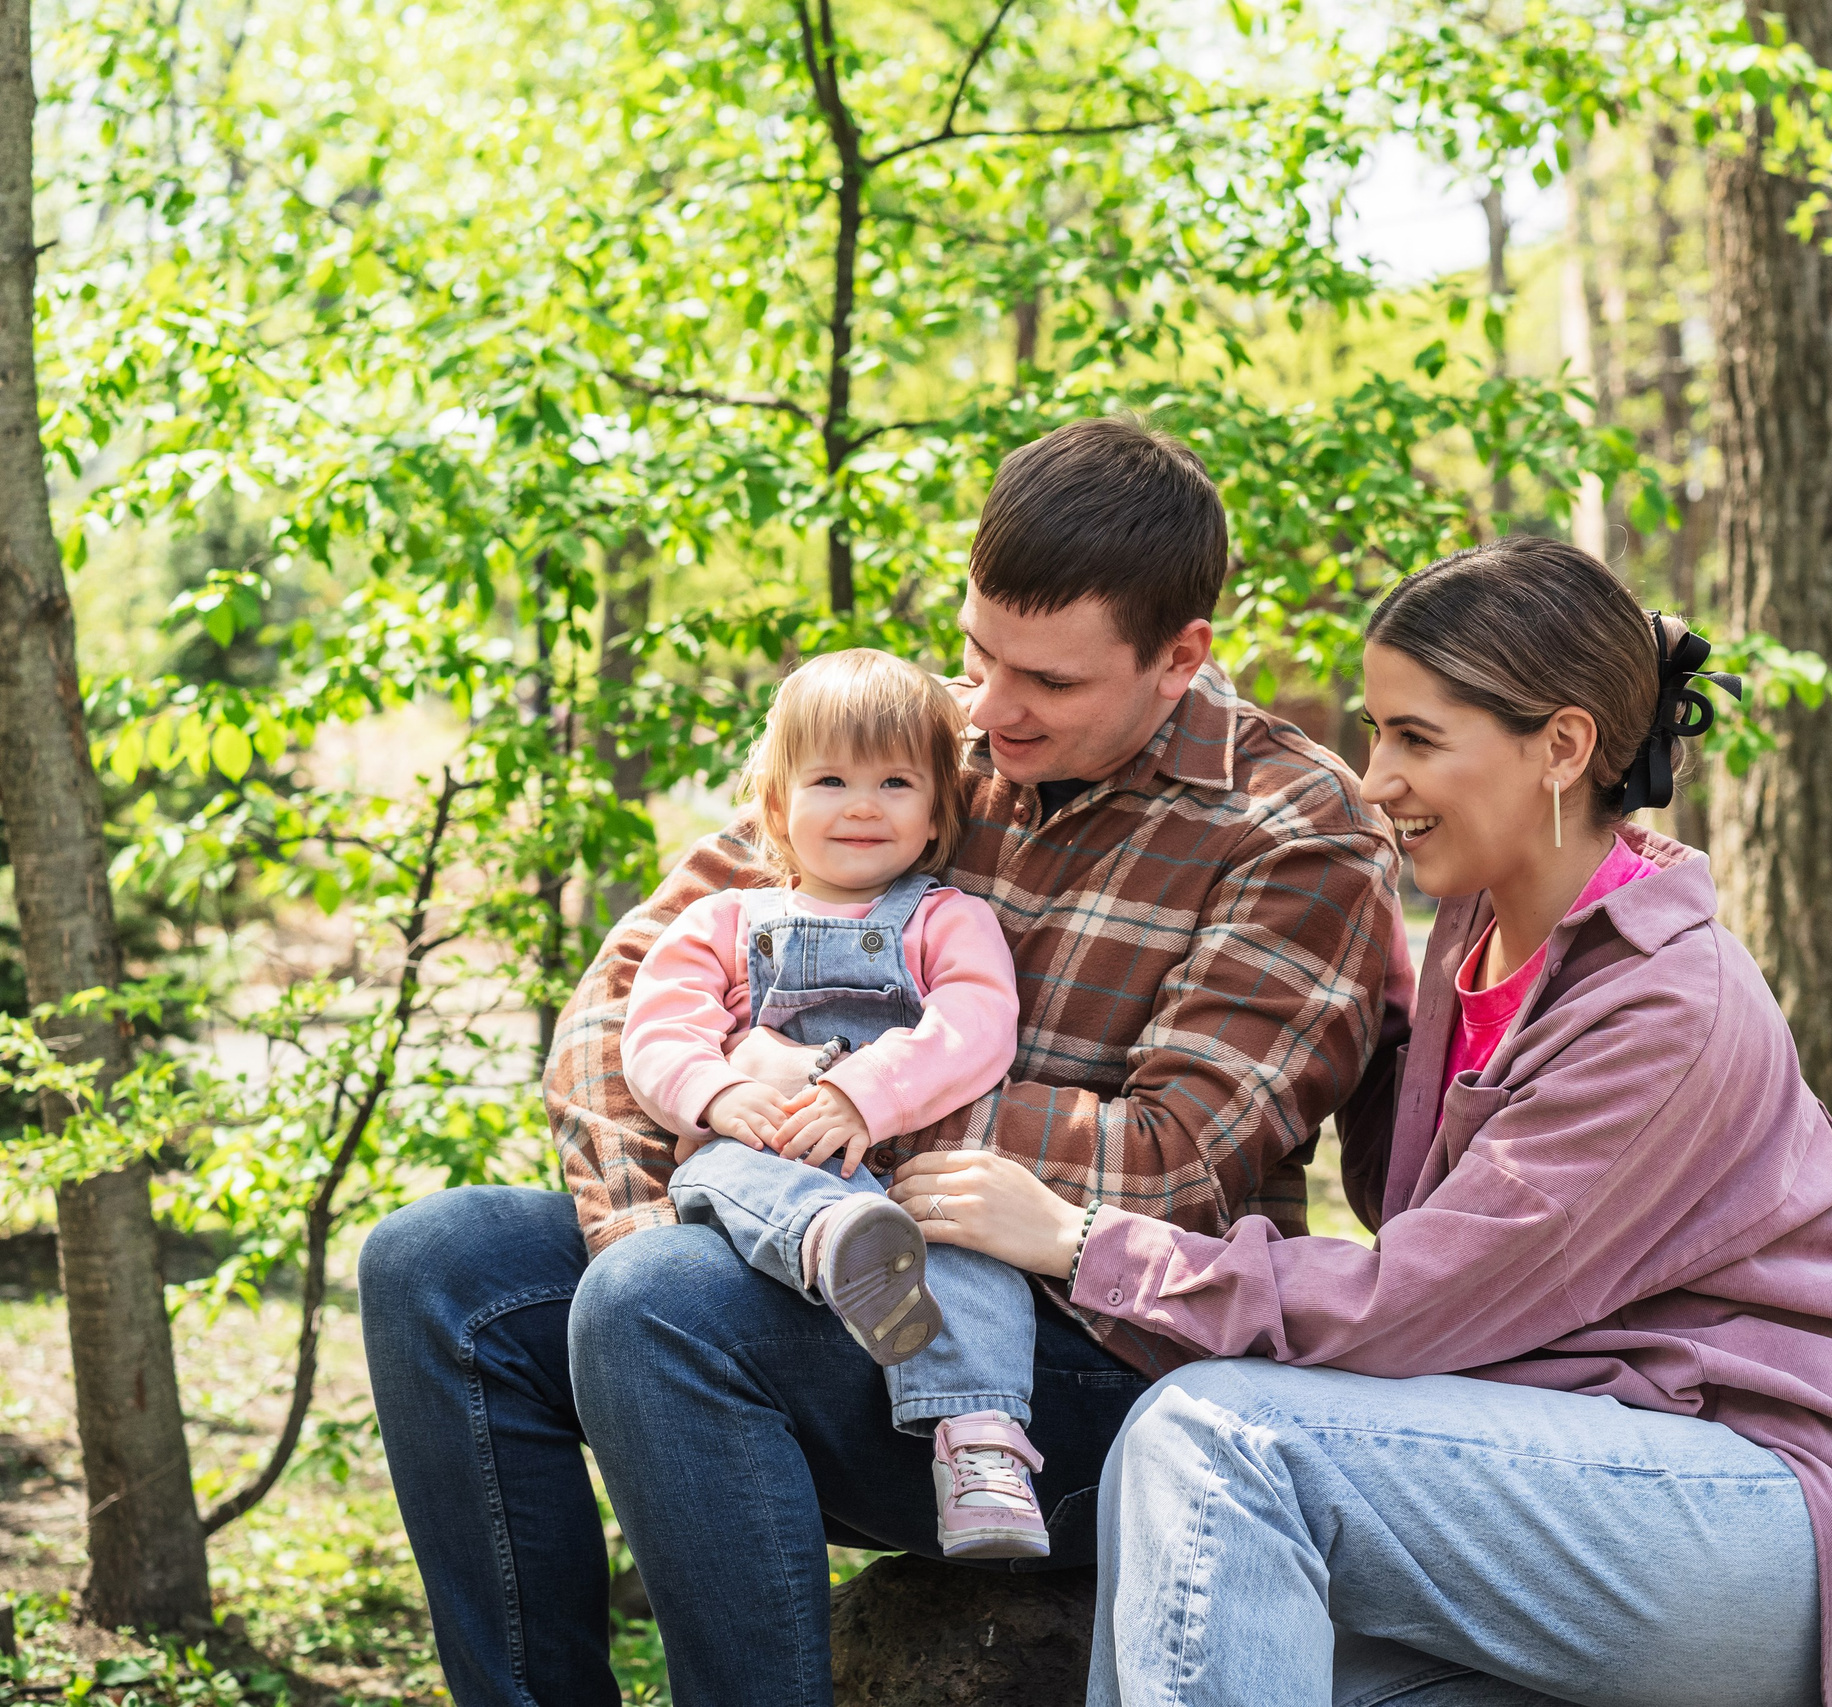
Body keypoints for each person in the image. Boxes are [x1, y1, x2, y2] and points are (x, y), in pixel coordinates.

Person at [356, 415, 1404, 1707]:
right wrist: (650, 1210)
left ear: (1179, 656)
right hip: (794, 1247)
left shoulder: (1295, 834)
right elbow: (630, 987)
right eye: (979, 652)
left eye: (1051, 683)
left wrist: (833, 1105)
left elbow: (1175, 1164)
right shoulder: (913, 736)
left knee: (659, 1308)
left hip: (1073, 1359)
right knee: (438, 1268)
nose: (991, 711)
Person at [895, 538, 1832, 1707]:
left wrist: (1085, 1242)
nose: (1371, 778)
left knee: (1215, 1438)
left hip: (1760, 1509)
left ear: (1562, 745)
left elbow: (1421, 1300)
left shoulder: (1667, 1003)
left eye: (1414, 738)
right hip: (1557, 1462)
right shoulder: (1475, 937)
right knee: (1194, 1625)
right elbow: (1392, 1164)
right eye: (1373, 729)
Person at [621, 645, 1056, 1559]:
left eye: (896, 781)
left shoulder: (946, 919)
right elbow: (656, 1031)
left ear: (938, 810)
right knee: (726, 1171)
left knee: (978, 1265)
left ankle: (982, 1456)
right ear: (777, 805)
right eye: (830, 779)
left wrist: (866, 1095)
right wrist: (720, 1091)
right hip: (770, 1160)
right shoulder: (724, 922)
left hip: (897, 1175)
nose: (863, 804)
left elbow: (978, 1023)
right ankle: (830, 1241)